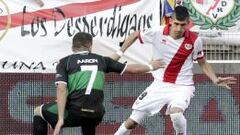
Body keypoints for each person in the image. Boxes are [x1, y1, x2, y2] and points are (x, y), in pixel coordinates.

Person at [114, 6, 237, 135]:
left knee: (176, 114)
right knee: (131, 122)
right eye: (176, 24)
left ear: (188, 23)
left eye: (183, 25)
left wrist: (215, 79)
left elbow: (202, 62)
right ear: (170, 21)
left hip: (182, 86)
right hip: (159, 85)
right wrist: (119, 53)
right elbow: (135, 34)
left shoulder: (195, 40)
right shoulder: (157, 32)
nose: (179, 29)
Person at [32, 32, 165, 135]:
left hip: (75, 112)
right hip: (97, 114)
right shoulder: (101, 60)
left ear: (73, 47)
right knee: (88, 117)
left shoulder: (65, 62)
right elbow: (130, 69)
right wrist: (151, 66)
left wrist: (60, 118)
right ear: (90, 45)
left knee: (38, 112)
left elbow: (61, 89)